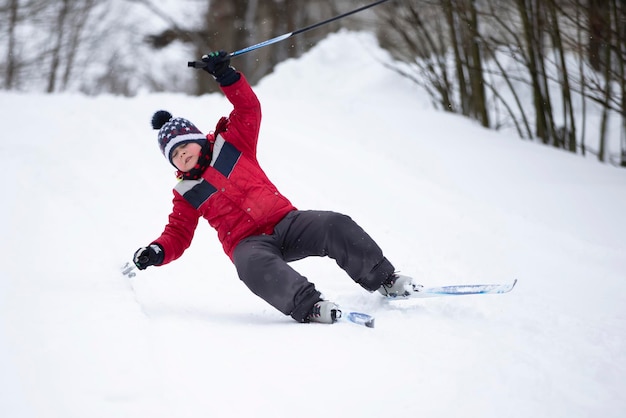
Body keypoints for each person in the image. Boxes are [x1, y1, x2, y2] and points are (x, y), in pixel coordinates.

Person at [133, 51, 413, 324]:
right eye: (174, 155)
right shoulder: (186, 192)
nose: (181, 155)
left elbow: (248, 108)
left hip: (287, 222)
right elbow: (178, 233)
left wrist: (225, 76)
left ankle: (384, 279)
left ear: (198, 138)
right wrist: (157, 251)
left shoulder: (231, 143)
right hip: (248, 243)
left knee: (334, 224)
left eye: (184, 146)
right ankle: (309, 305)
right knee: (250, 266)